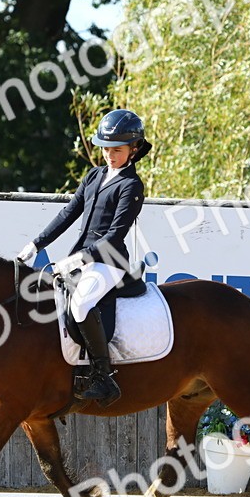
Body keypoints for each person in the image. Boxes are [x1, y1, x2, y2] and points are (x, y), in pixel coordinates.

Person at [17, 109, 152, 406]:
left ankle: (104, 377)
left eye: (117, 150)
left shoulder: (131, 186)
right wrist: (37, 244)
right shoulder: (94, 176)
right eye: (105, 149)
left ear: (134, 149)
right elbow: (68, 213)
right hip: (81, 259)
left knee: (80, 305)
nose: (109, 155)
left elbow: (115, 235)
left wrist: (79, 259)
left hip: (109, 262)